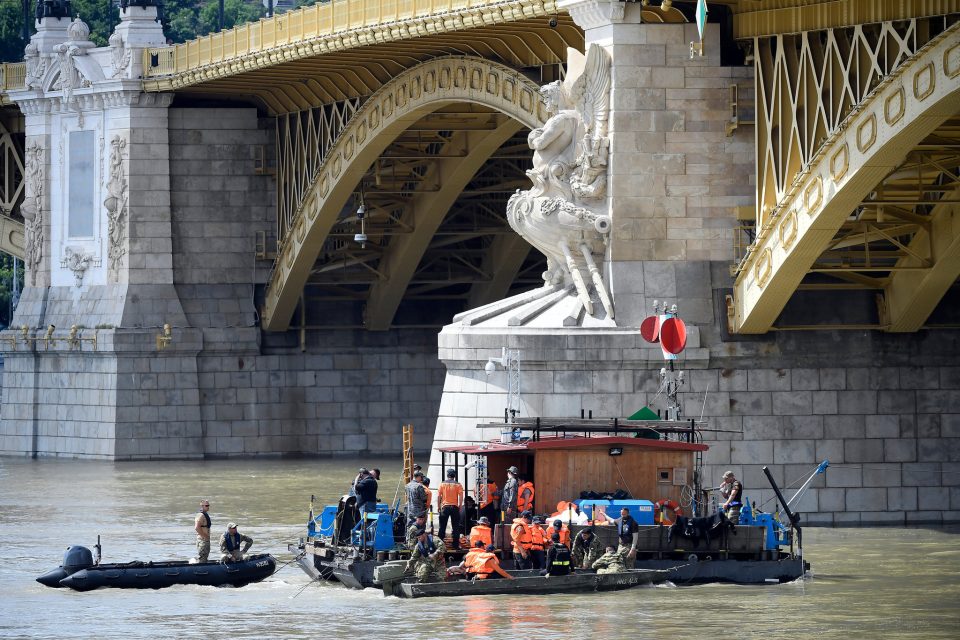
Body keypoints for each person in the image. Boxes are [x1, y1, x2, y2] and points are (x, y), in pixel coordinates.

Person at [437, 468, 464, 542]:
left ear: (447, 475)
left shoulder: (442, 484)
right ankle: (455, 545)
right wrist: (460, 506)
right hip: (454, 507)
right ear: (454, 475)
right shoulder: (458, 484)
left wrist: (438, 506)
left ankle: (440, 543)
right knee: (455, 527)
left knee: (442, 526)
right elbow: (461, 496)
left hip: (445, 507)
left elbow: (439, 496)